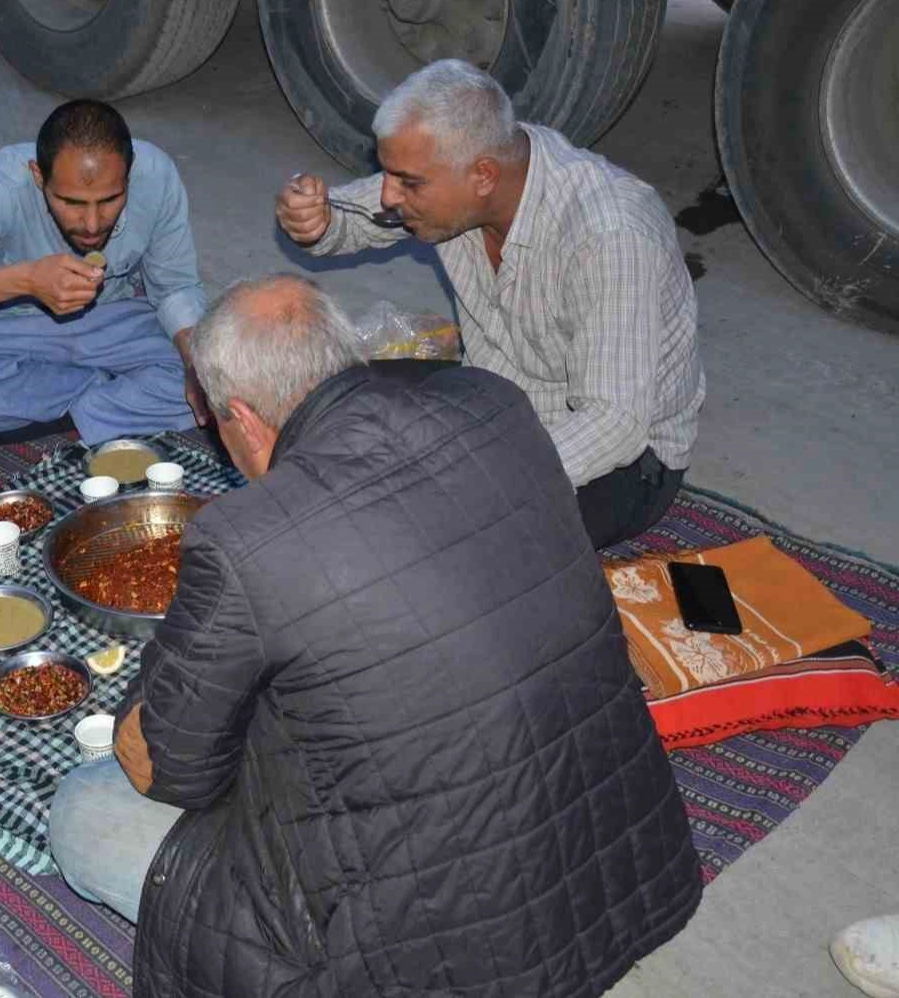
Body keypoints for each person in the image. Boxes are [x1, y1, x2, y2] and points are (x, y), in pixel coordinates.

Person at [49, 275, 703, 997]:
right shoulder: (493, 403)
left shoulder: (247, 539)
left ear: (241, 416)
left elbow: (175, 772)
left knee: (87, 807)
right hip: (620, 877)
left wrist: (161, 686)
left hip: (434, 961)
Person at [276, 59, 705, 550]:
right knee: (320, 397)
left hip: (622, 464)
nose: (389, 196)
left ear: (483, 176)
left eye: (408, 183)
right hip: (496, 402)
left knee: (444, 542)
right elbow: (349, 219)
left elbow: (614, 425)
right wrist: (318, 219)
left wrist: (479, 475)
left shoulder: (610, 236)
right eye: (388, 175)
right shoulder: (465, 168)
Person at [0, 99, 208, 460]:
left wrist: (196, 365)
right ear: (38, 176)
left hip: (113, 316)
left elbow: (175, 287)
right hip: (8, 324)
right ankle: (112, 400)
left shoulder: (157, 175)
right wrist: (27, 280)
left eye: (110, 199)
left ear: (129, 176)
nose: (92, 224)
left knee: (220, 379)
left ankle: (70, 412)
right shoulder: (3, 183)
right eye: (72, 203)